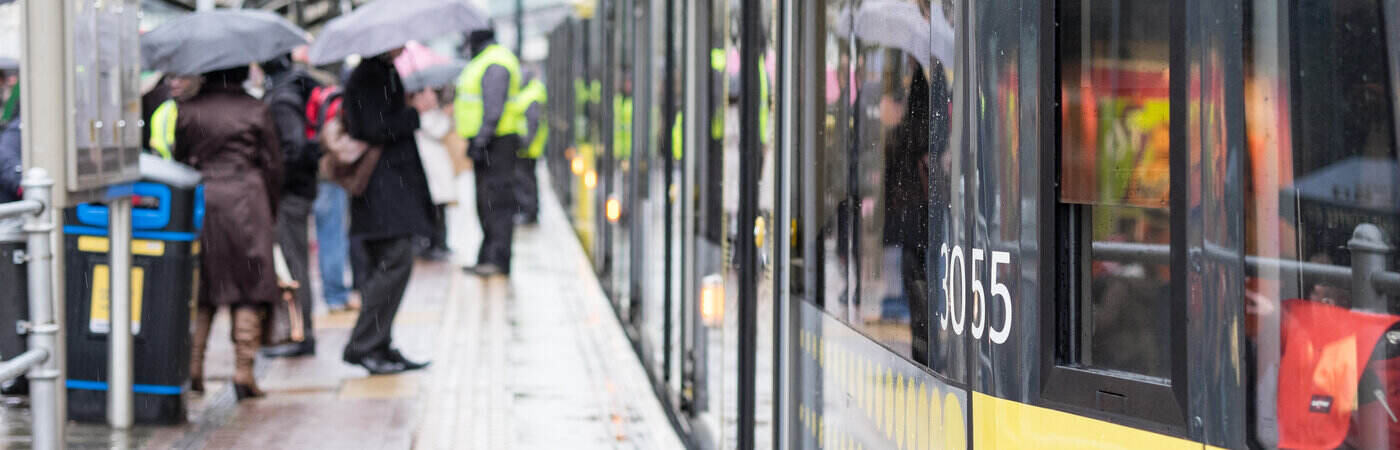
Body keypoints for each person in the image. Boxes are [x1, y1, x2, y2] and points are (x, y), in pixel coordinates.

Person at [177, 66, 283, 401]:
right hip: (247, 200)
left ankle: (193, 368)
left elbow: (180, 157)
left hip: (203, 200)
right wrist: (270, 204)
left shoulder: (188, 110)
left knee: (205, 284)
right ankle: (243, 369)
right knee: (249, 284)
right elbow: (273, 163)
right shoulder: (256, 109)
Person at [340, 47, 435, 375]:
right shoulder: (369, 75)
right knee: (394, 262)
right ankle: (365, 344)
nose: (404, 47)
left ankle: (379, 343)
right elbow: (373, 127)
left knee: (394, 263)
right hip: (383, 189)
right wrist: (414, 113)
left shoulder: (380, 72)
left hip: (389, 188)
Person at [260, 54, 322, 358]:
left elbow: (293, 146)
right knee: (292, 260)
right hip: (296, 190)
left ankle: (301, 334)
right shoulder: (290, 90)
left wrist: (275, 179)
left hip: (290, 194)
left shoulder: (282, 98)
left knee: (293, 263)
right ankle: (299, 331)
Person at [457, 28, 525, 277]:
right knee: (487, 201)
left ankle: (496, 259)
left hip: (495, 143)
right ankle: (488, 255)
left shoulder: (495, 63)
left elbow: (493, 108)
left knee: (495, 201)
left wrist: (481, 140)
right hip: (491, 142)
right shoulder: (490, 60)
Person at [306, 82, 355, 313]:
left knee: (327, 236)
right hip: (329, 174)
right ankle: (335, 295)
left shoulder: (311, 93)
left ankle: (334, 293)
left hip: (313, 172)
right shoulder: (331, 95)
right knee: (332, 236)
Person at [413, 85, 457, 260]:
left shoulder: (433, 115)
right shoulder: (423, 118)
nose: (430, 97)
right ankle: (433, 243)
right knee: (433, 209)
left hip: (436, 170)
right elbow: (438, 130)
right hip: (429, 170)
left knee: (439, 209)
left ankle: (439, 243)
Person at [513, 71, 547, 225]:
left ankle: (529, 212)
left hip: (527, 147)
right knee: (527, 179)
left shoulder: (531, 95)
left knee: (525, 181)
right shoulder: (532, 93)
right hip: (528, 146)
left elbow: (533, 123)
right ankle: (529, 211)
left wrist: (525, 143)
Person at [149, 75, 204, 160]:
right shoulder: (164, 110)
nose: (174, 83)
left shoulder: (204, 108)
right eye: (172, 77)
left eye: (183, 78)